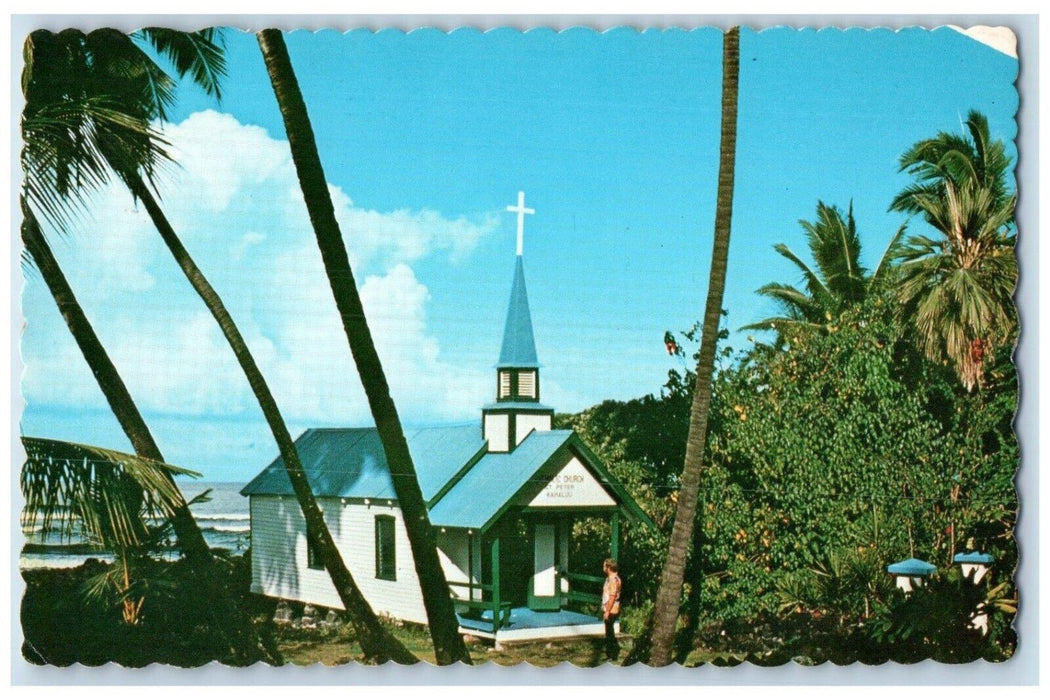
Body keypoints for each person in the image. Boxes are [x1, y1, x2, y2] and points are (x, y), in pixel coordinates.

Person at [602, 558, 622, 661]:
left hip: (611, 609)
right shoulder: (614, 578)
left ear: (609, 568)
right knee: (609, 631)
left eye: (605, 566)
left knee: (609, 632)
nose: (603, 568)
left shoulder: (613, 580)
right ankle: (612, 653)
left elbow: (612, 596)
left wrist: (607, 611)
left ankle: (612, 654)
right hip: (612, 608)